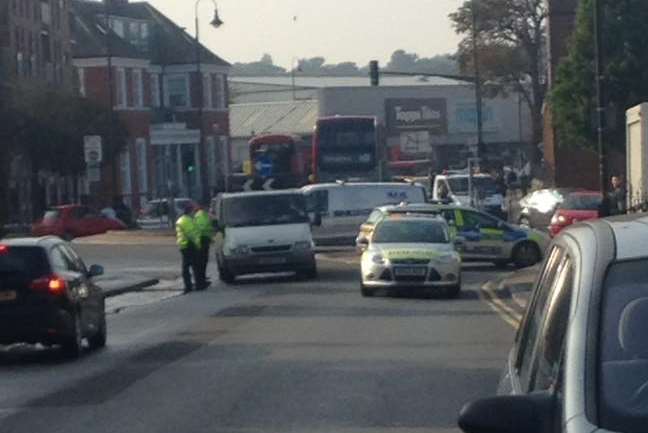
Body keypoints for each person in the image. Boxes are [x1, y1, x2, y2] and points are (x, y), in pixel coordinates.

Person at [176, 204, 201, 293]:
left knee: (186, 267)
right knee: (195, 266)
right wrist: (198, 244)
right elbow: (191, 234)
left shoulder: (181, 220)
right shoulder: (187, 221)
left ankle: (188, 285)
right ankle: (197, 284)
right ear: (189, 211)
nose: (194, 213)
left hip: (183, 246)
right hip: (189, 245)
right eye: (193, 211)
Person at [194, 206, 214, 290]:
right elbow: (203, 228)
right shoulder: (202, 215)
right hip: (203, 240)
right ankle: (201, 282)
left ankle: (202, 280)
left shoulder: (201, 215)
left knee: (202, 262)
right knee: (202, 262)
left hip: (203, 240)